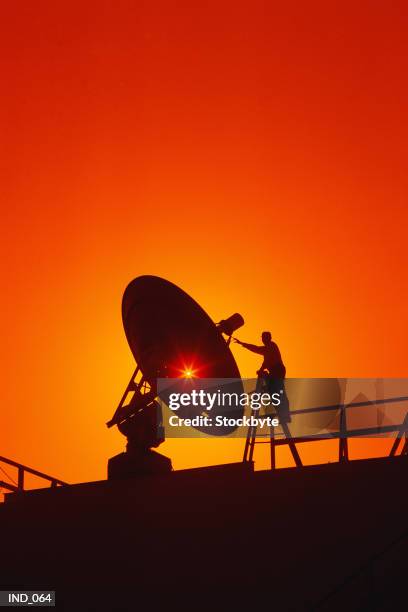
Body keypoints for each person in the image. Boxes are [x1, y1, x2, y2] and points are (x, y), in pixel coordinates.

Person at [234, 331, 290, 422]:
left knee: (277, 392)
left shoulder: (271, 346)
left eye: (264, 338)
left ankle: (283, 414)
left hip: (277, 371)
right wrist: (261, 370)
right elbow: (266, 360)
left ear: (269, 338)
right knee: (274, 392)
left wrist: (243, 344)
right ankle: (279, 414)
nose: (263, 340)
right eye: (262, 338)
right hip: (275, 371)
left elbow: (257, 350)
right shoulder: (268, 348)